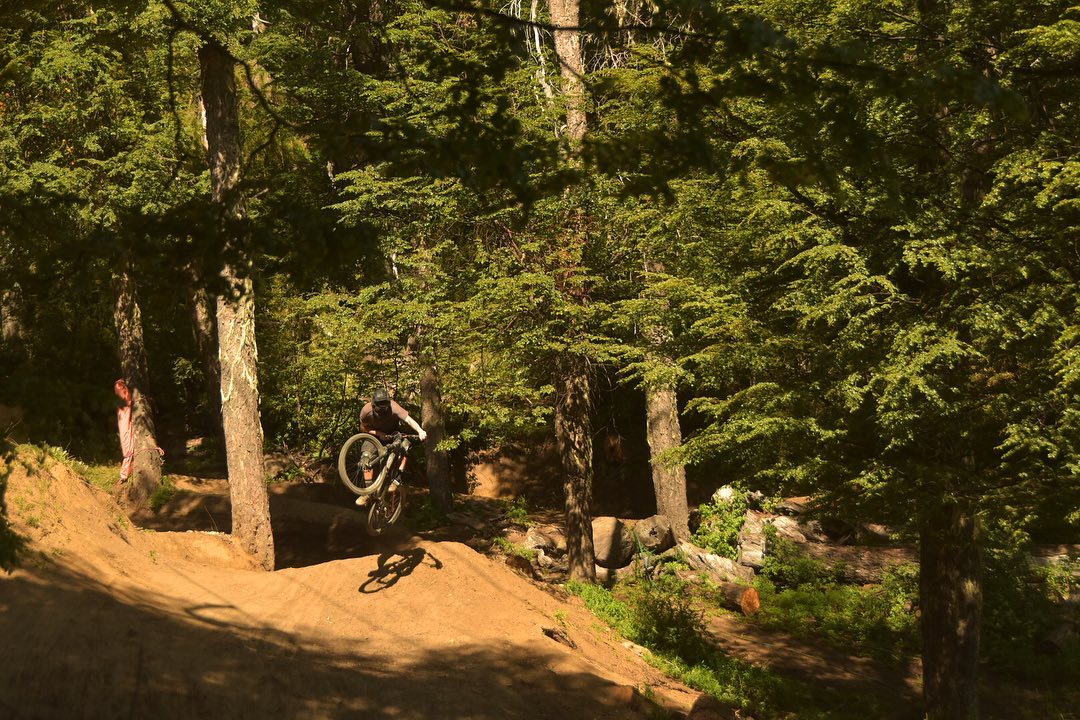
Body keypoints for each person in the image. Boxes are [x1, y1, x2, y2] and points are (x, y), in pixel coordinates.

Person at [355, 389, 426, 507]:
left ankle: (396, 481)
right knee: (365, 458)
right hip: (374, 436)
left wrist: (420, 431)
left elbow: (408, 420)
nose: (382, 411)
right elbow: (363, 428)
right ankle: (367, 492)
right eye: (379, 408)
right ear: (373, 405)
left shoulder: (394, 407)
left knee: (405, 446)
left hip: (393, 434)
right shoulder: (366, 411)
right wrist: (378, 433)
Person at [114, 379, 134, 483]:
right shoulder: (120, 385)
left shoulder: (120, 385)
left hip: (124, 415)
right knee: (127, 444)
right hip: (124, 416)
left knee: (127, 444)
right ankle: (125, 473)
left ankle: (125, 473)